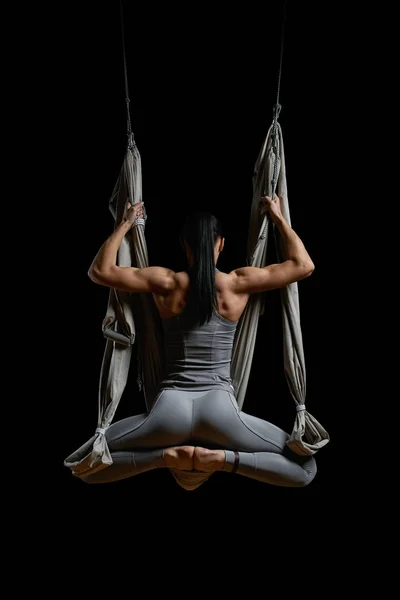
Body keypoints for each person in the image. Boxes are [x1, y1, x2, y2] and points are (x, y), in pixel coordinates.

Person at [82, 194, 316, 489]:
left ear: (185, 246)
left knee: (89, 462)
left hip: (168, 411)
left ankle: (164, 457)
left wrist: (126, 224)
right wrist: (279, 217)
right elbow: (303, 265)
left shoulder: (166, 283)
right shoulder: (237, 283)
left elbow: (100, 271)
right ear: (221, 244)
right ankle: (222, 460)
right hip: (221, 413)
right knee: (306, 467)